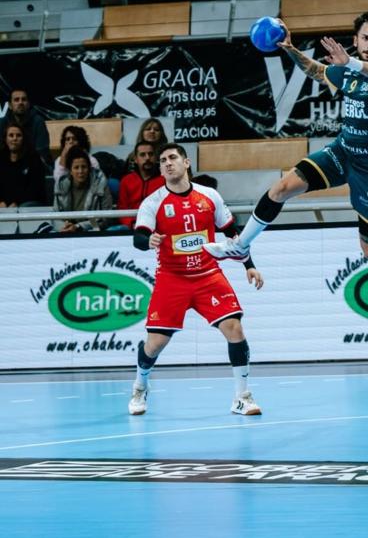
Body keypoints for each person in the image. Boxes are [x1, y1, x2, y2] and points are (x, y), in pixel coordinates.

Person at [204, 10, 368, 292]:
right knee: (281, 188)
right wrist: (290, 49)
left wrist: (352, 62)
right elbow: (317, 71)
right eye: (365, 38)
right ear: (356, 39)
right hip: (343, 151)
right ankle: (240, 245)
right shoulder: (346, 70)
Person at [129, 143, 264, 417]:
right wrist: (149, 240)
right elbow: (138, 237)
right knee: (155, 344)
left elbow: (232, 233)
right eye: (163, 160)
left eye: (172, 158)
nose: (167, 163)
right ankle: (140, 385)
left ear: (186, 162)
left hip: (208, 275)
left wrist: (249, 265)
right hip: (172, 278)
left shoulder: (209, 196)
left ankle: (242, 396)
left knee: (234, 328)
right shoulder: (153, 203)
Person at [53, 145, 112, 231]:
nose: (80, 171)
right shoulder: (61, 185)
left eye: (84, 167)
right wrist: (64, 227)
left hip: (92, 232)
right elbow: (55, 216)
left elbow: (106, 218)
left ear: (89, 169)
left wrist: (78, 227)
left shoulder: (100, 183)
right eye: (76, 168)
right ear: (70, 171)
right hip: (66, 231)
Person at [117, 141, 164, 227]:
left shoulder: (165, 180)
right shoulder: (126, 181)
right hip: (131, 226)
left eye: (150, 154)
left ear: (156, 157)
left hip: (158, 225)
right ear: (135, 159)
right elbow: (122, 209)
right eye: (142, 155)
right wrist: (131, 224)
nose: (147, 158)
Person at [0, 124, 49, 207]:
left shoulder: (34, 158)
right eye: (11, 135)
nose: (15, 138)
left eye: (18, 135)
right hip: (5, 204)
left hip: (29, 203)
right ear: (5, 139)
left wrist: (16, 202)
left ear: (23, 139)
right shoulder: (1, 159)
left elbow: (35, 189)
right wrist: (1, 201)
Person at [0, 87, 50, 165]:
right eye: (16, 100)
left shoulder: (38, 121)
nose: (20, 102)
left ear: (28, 104)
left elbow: (42, 151)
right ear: (9, 105)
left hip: (32, 166)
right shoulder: (2, 123)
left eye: (24, 99)